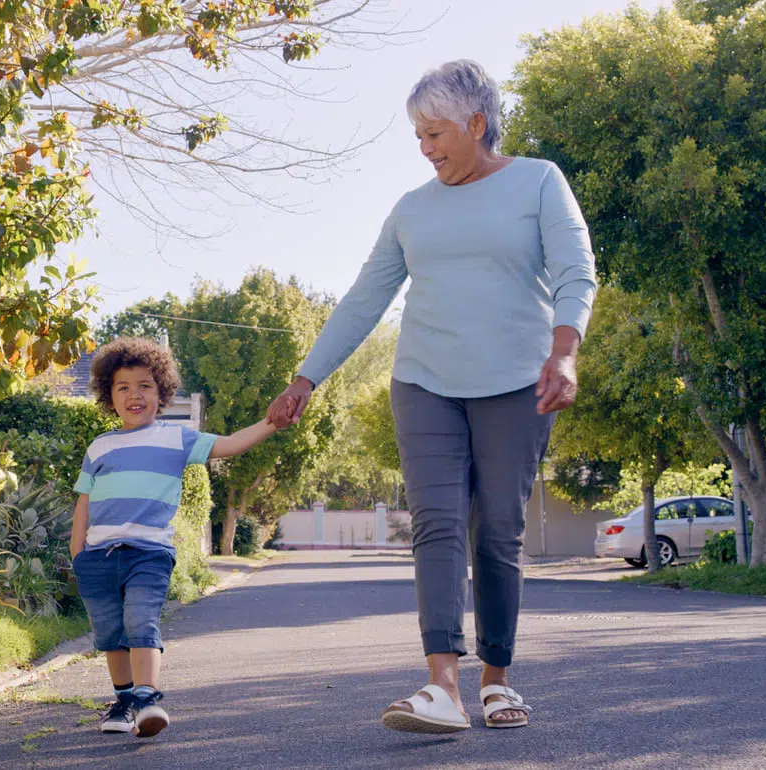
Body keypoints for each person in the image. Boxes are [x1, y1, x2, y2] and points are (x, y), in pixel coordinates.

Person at [267, 59, 596, 733]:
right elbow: (364, 299)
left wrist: (564, 353)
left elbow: (574, 269)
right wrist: (307, 377)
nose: (425, 147)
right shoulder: (412, 209)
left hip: (516, 383)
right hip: (424, 383)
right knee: (437, 525)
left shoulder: (538, 181)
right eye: (417, 136)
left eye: (434, 132)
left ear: (476, 124)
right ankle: (442, 684)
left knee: (497, 530)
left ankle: (497, 679)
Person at [71, 336, 280, 737]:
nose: (135, 395)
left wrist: (271, 422)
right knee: (111, 635)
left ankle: (147, 702)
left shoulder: (176, 438)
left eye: (145, 386)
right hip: (97, 557)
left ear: (162, 392)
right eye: (124, 387)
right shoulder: (99, 447)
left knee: (140, 621)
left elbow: (232, 443)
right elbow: (84, 501)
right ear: (108, 396)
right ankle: (123, 702)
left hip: (148, 553)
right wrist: (78, 552)